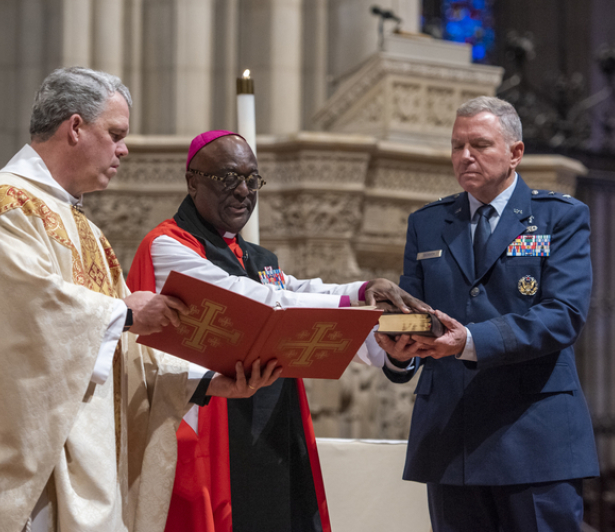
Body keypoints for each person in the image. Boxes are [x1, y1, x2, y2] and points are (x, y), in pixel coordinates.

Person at [0, 67, 210, 532]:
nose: (123, 149)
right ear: (74, 127)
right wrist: (126, 311)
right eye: (115, 134)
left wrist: (206, 382)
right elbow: (27, 321)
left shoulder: (86, 231)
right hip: (24, 485)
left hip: (86, 468)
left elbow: (120, 354)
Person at [126, 129, 428, 532]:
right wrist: (352, 303)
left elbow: (298, 293)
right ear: (192, 180)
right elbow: (250, 299)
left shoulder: (256, 256)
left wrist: (374, 312)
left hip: (272, 428)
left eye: (252, 180)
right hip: (209, 433)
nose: (243, 191)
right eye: (228, 178)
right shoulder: (169, 246)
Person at [375, 97, 599, 532]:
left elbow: (563, 314)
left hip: (532, 435)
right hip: (451, 437)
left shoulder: (559, 217)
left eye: (479, 144)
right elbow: (416, 314)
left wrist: (471, 341)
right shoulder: (428, 222)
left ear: (515, 152)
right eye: (457, 146)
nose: (464, 156)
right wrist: (400, 351)